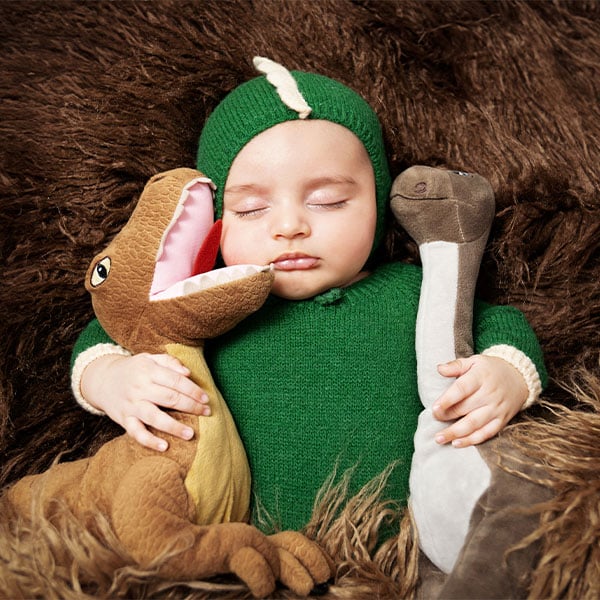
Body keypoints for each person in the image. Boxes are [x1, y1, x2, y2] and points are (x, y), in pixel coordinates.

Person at [71, 57, 546, 532]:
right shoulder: (207, 305)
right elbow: (111, 330)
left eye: (328, 201)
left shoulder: (414, 291)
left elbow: (497, 325)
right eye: (252, 208)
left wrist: (505, 374)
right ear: (216, 220)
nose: (291, 226)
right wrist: (113, 379)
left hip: (401, 547)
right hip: (245, 550)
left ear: (378, 204)